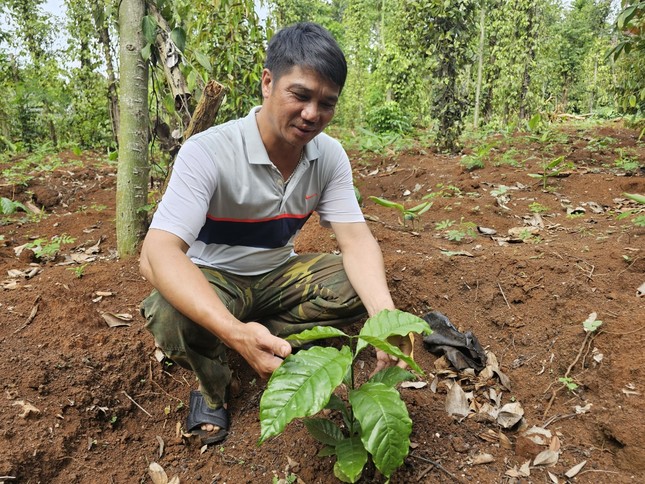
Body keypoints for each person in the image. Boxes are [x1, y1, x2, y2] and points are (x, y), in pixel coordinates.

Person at [139, 22, 411, 446]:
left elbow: (356, 241)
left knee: (360, 288)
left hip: (278, 273)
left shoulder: (328, 156)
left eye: (326, 103)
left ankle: (266, 332)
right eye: (300, 95)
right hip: (214, 276)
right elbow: (157, 252)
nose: (312, 114)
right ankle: (214, 385)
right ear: (268, 82)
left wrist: (384, 319)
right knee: (171, 314)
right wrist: (234, 333)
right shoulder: (209, 152)